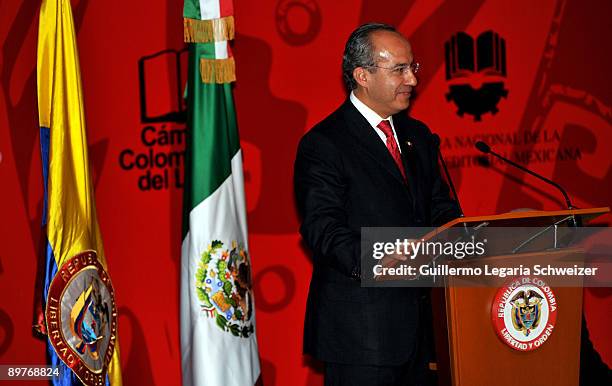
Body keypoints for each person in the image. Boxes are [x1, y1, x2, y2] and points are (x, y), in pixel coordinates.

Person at [293, 23, 460, 386]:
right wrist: (381, 256)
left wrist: (462, 234)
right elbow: (323, 229)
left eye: (412, 67)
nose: (412, 80)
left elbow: (440, 207)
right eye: (399, 69)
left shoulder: (418, 136)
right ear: (362, 75)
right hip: (362, 335)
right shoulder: (325, 144)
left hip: (426, 331)